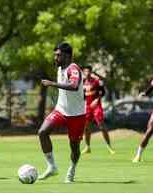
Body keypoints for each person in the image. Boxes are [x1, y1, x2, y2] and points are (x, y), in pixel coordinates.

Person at [37, 42, 86, 183]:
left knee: (74, 147)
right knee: (42, 132)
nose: (55, 58)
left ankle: (71, 169)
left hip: (77, 115)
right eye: (55, 55)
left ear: (67, 56)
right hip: (61, 110)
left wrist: (52, 84)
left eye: (58, 55)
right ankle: (52, 167)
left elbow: (74, 86)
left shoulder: (73, 68)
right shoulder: (60, 69)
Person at [81, 66, 115, 154]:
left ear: (91, 72)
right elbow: (82, 95)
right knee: (86, 127)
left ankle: (109, 147)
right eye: (85, 72)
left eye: (88, 71)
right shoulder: (82, 82)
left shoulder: (96, 81)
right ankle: (87, 147)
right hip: (87, 107)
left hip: (96, 107)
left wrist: (97, 99)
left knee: (101, 126)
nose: (86, 73)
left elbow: (103, 92)